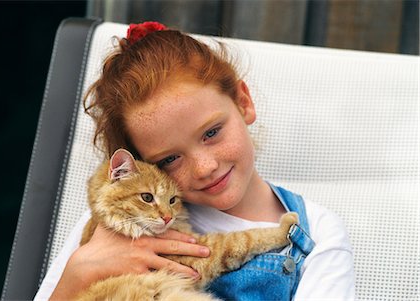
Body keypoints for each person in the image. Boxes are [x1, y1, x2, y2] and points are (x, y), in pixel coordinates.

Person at [35, 21, 355, 300]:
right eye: (170, 159)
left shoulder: (317, 233)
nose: (205, 168)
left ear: (243, 103)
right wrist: (78, 272)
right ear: (144, 167)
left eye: (212, 132)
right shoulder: (114, 226)